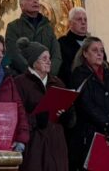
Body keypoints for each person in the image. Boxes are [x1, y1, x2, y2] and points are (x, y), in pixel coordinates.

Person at [15, 38, 73, 171]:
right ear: (34, 62)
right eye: (44, 58)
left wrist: (68, 116)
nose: (49, 61)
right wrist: (35, 119)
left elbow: (71, 111)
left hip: (57, 145)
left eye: (49, 58)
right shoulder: (20, 83)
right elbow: (16, 116)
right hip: (34, 145)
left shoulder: (58, 83)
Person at [69, 36, 109, 171]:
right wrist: (107, 124)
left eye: (101, 50)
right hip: (89, 135)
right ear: (85, 53)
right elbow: (86, 104)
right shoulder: (79, 74)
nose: (100, 54)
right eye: (95, 50)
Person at [6, 0, 62, 76]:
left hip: (47, 77)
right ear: (22, 5)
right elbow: (13, 53)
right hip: (22, 77)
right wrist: (32, 73)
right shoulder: (13, 26)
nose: (35, 1)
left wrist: (49, 72)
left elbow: (56, 54)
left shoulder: (48, 27)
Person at [58, 7, 94, 83]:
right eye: (79, 19)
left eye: (85, 19)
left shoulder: (94, 43)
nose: (83, 22)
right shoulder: (62, 43)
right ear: (70, 23)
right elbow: (62, 70)